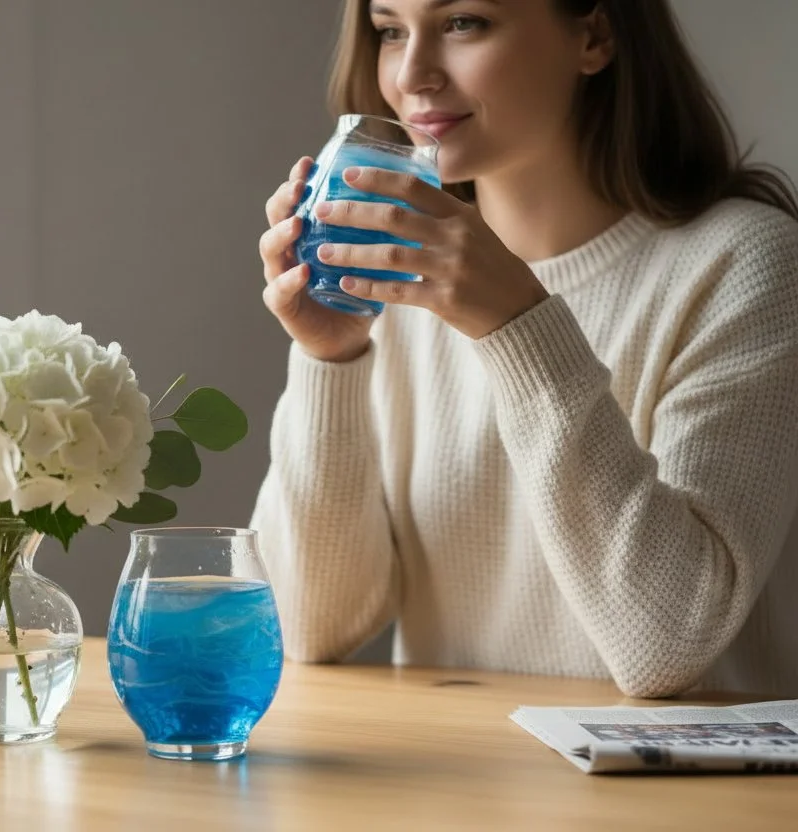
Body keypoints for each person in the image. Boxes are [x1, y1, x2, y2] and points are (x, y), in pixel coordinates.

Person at [251, 0, 798, 698]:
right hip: (458, 793)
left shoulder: (743, 263)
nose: (413, 75)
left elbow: (665, 645)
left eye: (462, 23)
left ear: (594, 34)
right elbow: (305, 627)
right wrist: (332, 358)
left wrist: (517, 325)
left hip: (683, 803)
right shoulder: (396, 271)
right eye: (390, 31)